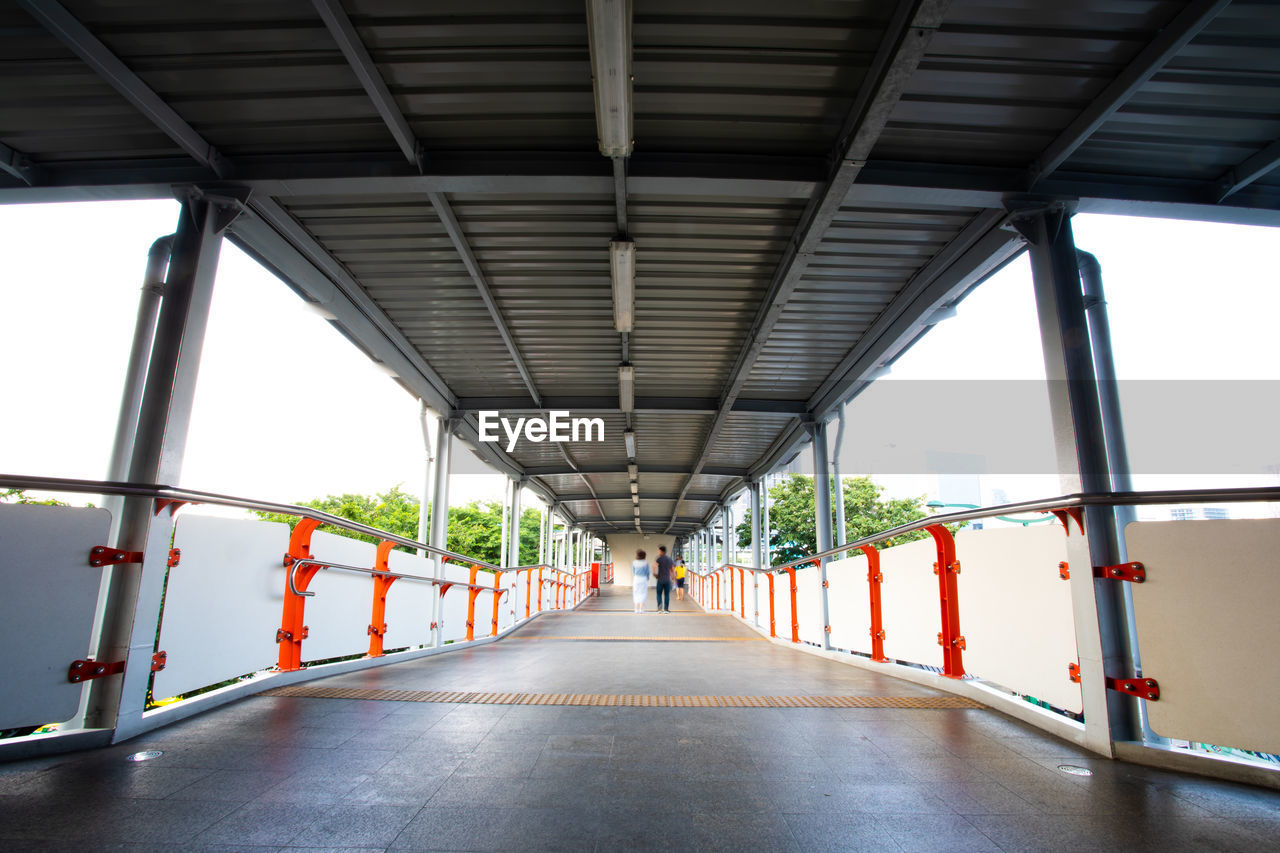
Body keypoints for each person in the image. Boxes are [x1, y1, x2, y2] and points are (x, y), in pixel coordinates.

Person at [654, 545, 674, 612]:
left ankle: (659, 609)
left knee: (659, 594)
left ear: (661, 551)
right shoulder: (669, 559)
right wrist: (672, 577)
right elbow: (671, 569)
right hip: (667, 580)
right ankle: (666, 609)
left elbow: (654, 566)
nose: (658, 552)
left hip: (660, 579)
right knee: (667, 594)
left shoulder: (659, 559)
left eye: (659, 551)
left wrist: (655, 574)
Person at [632, 549, 651, 614]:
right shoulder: (646, 563)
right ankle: (641, 609)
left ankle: (635, 609)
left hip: (636, 578)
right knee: (643, 593)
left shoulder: (634, 562)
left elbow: (633, 572)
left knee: (636, 593)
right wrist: (648, 579)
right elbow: (648, 572)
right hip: (643, 579)